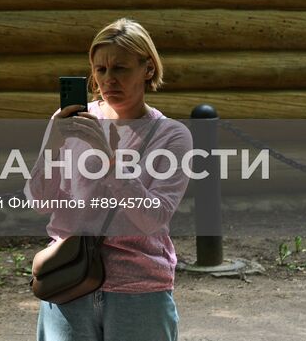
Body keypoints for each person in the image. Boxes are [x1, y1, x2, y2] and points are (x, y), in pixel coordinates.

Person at [28, 18, 192, 341]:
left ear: (148, 68)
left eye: (120, 68)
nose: (108, 79)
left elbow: (152, 219)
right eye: (100, 69)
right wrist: (52, 146)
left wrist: (110, 161)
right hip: (69, 281)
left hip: (139, 292)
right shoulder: (69, 123)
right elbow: (39, 202)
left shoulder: (171, 136)